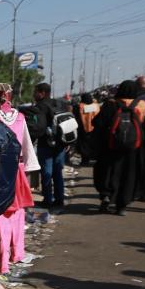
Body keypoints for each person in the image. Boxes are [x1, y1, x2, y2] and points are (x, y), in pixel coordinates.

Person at [92, 81, 145, 215]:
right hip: (133, 148)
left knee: (108, 172)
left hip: (110, 147)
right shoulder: (142, 105)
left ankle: (107, 196)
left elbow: (97, 123)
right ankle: (122, 206)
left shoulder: (110, 104)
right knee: (128, 175)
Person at [33, 82, 68, 211]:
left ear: (42, 93)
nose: (33, 95)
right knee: (58, 172)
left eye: (35, 92)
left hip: (45, 145)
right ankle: (59, 200)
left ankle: (48, 200)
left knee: (47, 173)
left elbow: (39, 127)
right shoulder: (59, 103)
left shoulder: (40, 106)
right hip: (60, 144)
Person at [75, 92, 100, 165]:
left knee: (84, 146)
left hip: (83, 129)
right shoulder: (96, 106)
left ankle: (84, 161)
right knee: (93, 144)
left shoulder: (79, 107)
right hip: (94, 128)